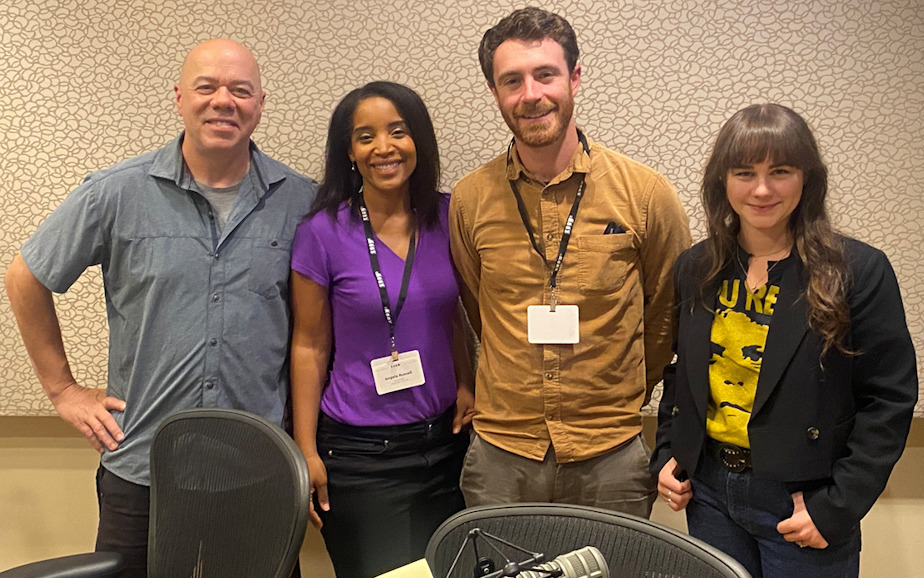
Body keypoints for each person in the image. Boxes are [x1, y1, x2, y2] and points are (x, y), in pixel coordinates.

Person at [4, 39, 316, 577]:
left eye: (240, 90)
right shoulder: (114, 193)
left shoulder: (302, 202)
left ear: (260, 104)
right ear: (179, 98)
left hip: (255, 470)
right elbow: (25, 278)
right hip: (141, 468)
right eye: (207, 87)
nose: (224, 101)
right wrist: (63, 390)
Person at [651, 103, 918, 578]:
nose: (761, 189)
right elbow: (682, 372)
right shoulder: (695, 266)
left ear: (807, 178)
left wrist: (838, 505)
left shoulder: (856, 271)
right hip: (709, 492)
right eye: (744, 172)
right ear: (721, 181)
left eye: (780, 171)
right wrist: (668, 452)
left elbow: (890, 399)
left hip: (803, 497)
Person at [449, 7, 691, 516]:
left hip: (611, 455)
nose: (530, 94)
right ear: (495, 92)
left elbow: (667, 312)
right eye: (511, 80)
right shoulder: (470, 200)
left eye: (545, 74)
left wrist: (623, 389)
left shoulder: (645, 194)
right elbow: (477, 306)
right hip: (501, 455)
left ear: (574, 78)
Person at [289, 81, 473, 578]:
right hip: (360, 456)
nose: (384, 147)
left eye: (398, 131)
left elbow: (450, 315)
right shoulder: (322, 231)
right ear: (349, 151)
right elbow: (309, 346)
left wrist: (464, 382)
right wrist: (305, 449)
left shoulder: (450, 215)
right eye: (365, 136)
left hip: (446, 447)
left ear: (419, 142)